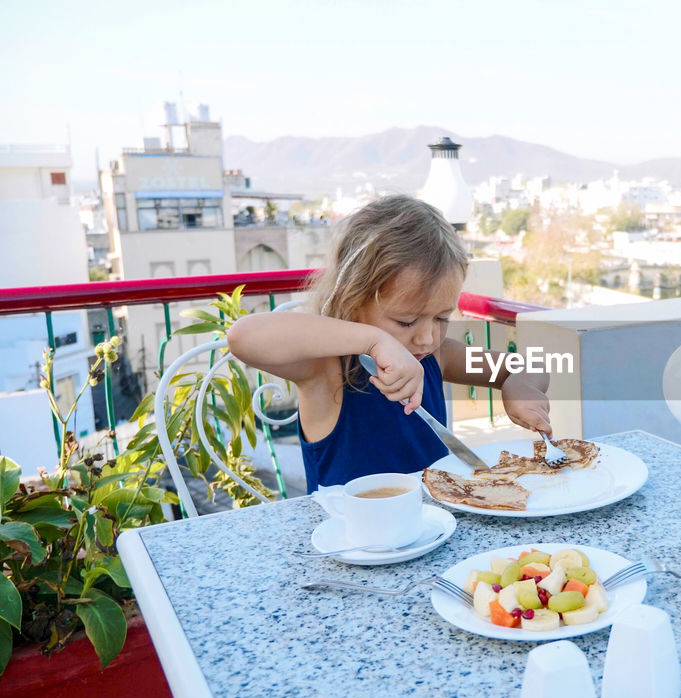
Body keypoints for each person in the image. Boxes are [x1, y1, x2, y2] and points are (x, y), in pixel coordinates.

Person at [229, 195, 553, 490]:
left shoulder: (435, 356)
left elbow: (529, 367)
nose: (427, 337)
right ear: (353, 301)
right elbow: (244, 337)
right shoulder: (326, 370)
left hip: (434, 527)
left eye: (441, 318)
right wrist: (374, 340)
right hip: (355, 540)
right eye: (406, 321)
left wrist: (519, 385)